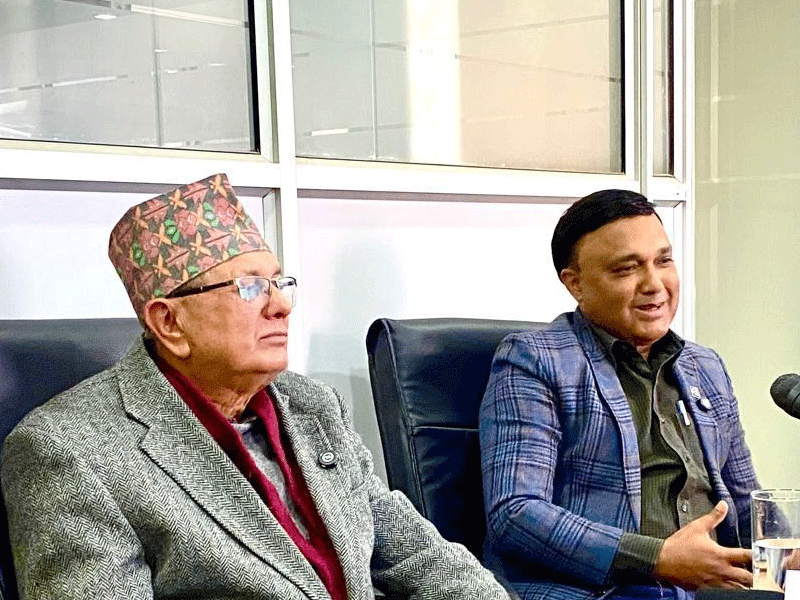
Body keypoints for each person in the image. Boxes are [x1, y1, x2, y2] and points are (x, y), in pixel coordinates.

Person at [2, 173, 513, 600]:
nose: (282, 306)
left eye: (279, 282)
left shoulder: (312, 406)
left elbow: (420, 557)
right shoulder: (70, 450)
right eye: (249, 288)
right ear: (169, 323)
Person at [479, 189, 760, 600]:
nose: (654, 285)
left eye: (663, 261)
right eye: (627, 269)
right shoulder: (535, 360)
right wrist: (656, 558)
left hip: (717, 591)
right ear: (575, 283)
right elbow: (516, 513)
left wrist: (786, 548)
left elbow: (747, 504)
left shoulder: (704, 367)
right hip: (606, 592)